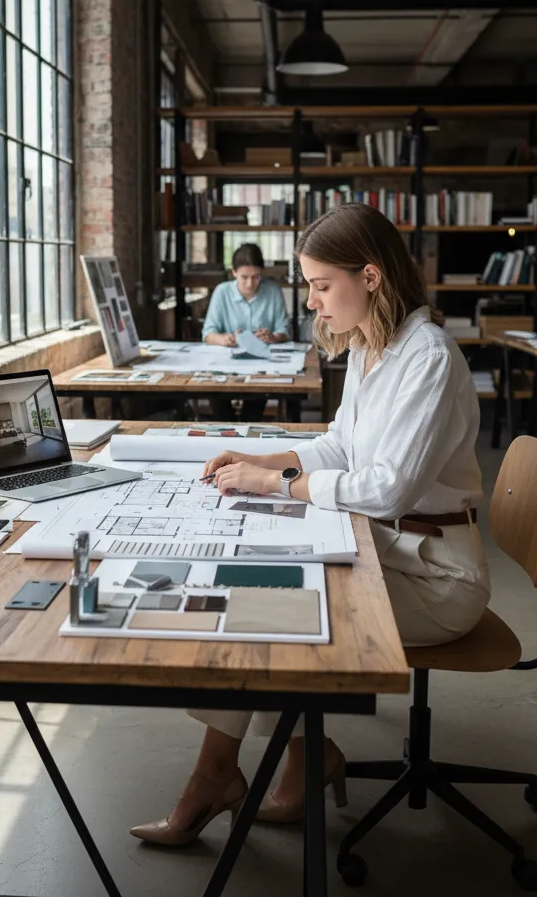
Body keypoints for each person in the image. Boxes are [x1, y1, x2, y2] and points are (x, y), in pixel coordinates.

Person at [131, 203, 489, 845]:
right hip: (388, 544)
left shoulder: (427, 357)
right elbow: (340, 447)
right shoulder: (371, 346)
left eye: (322, 286)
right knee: (262, 589)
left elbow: (387, 488)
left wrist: (276, 485)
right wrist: (259, 461)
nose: (311, 302)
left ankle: (232, 774)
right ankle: (285, 763)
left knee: (271, 609)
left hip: (436, 574)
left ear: (371, 277)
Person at [202, 243, 290, 421]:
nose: (250, 284)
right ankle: (226, 428)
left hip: (262, 366)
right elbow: (208, 333)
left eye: (256, 277)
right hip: (226, 365)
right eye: (244, 277)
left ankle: (248, 427)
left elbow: (284, 331)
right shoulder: (222, 292)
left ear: (262, 273)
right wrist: (224, 339)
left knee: (255, 407)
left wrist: (273, 337)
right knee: (217, 399)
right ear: (234, 272)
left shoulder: (272, 290)